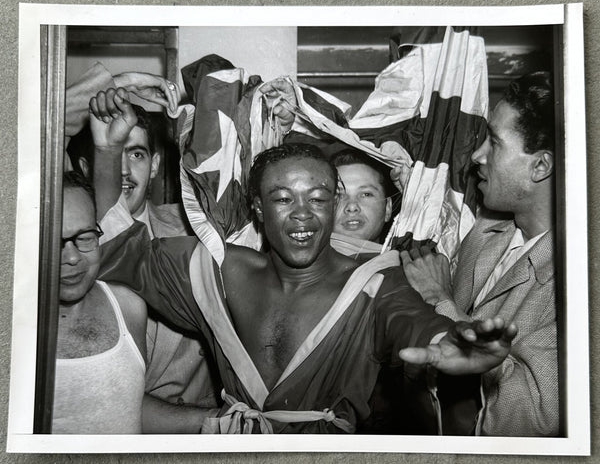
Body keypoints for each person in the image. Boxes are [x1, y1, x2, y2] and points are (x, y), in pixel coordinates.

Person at [92, 87, 518, 434]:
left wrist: (447, 341)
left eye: (317, 198)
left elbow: (411, 319)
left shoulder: (375, 284)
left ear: (334, 204)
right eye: (282, 199)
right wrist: (107, 150)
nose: (301, 214)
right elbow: (114, 249)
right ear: (257, 208)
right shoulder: (217, 272)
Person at [400, 72, 558, 436]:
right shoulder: (489, 226)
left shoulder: (577, 285)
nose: (476, 155)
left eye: (494, 142)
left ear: (540, 166)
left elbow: (526, 420)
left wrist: (442, 301)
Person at [86, 94, 219, 433]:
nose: (124, 170)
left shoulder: (192, 224)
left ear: (156, 164)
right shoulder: (70, 254)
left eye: (137, 154)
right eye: (115, 153)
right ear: (90, 168)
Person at [53, 171, 147, 434]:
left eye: (84, 237)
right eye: (53, 242)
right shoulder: (15, 329)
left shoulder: (129, 307)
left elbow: (126, 406)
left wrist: (207, 420)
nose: (72, 258)